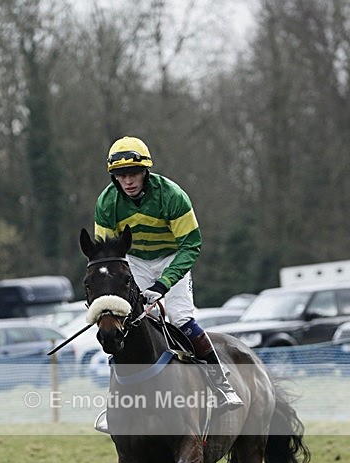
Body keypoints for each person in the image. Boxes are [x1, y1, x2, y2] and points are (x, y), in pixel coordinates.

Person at [94, 135, 243, 413]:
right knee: (124, 324)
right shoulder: (106, 203)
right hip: (134, 261)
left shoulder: (172, 195)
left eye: (133, 173)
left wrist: (163, 284)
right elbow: (107, 255)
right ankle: (114, 400)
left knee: (181, 318)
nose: (128, 181)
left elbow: (191, 245)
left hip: (172, 257)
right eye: (121, 175)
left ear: (145, 172)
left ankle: (221, 384)